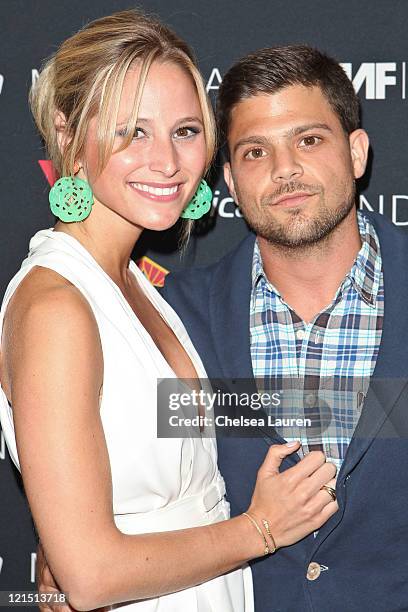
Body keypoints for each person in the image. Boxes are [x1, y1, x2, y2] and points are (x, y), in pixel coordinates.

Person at [0, 13, 338, 612]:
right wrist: (260, 528)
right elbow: (92, 576)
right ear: (68, 134)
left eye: (184, 131)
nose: (168, 161)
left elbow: (165, 426)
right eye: (133, 131)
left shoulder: (137, 284)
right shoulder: (58, 306)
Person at [162, 45, 408, 611]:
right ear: (228, 178)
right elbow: (136, 478)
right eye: (254, 151)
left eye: (309, 140)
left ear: (356, 152)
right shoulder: (177, 319)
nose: (284, 170)